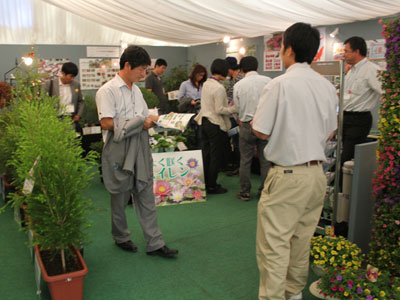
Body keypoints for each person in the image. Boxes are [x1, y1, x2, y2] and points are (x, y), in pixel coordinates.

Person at [252, 23, 337, 300]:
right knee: (302, 241)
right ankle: (294, 292)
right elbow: (331, 131)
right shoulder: (326, 86)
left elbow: (261, 130)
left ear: (288, 49)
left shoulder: (279, 84)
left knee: (274, 244)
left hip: (287, 174)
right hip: (316, 174)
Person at [96, 45, 178, 257]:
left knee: (145, 193)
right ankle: (121, 236)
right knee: (119, 196)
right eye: (142, 69)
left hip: (140, 146)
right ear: (127, 65)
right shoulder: (107, 91)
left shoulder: (137, 92)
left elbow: (144, 115)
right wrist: (138, 122)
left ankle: (155, 242)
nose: (144, 74)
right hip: (119, 148)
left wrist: (156, 120)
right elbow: (106, 123)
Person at [194, 59, 236, 194]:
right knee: (215, 156)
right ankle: (212, 185)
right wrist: (234, 109)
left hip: (204, 122)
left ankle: (205, 182)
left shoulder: (206, 83)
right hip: (215, 123)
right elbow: (219, 110)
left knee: (206, 154)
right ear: (223, 71)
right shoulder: (219, 88)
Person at [233, 56, 272, 201]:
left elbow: (237, 108)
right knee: (265, 160)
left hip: (246, 124)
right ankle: (265, 191)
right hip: (265, 125)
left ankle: (244, 192)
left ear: (242, 70)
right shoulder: (269, 81)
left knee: (245, 160)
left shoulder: (239, 85)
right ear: (257, 67)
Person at [342, 36, 381, 166]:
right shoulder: (351, 71)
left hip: (359, 120)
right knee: (342, 155)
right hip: (346, 117)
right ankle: (340, 185)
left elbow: (386, 90)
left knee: (347, 157)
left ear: (357, 52)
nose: (344, 54)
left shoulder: (371, 69)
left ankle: (346, 186)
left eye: (347, 51)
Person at [44, 62, 84, 131]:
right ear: (63, 73)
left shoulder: (76, 85)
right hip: (54, 119)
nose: (72, 79)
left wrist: (78, 115)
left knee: (71, 140)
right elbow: (43, 101)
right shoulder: (50, 84)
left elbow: (80, 101)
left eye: (74, 77)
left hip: (71, 120)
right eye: (71, 76)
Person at [224, 56, 243, 174]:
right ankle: (237, 165)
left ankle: (239, 166)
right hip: (232, 114)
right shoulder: (232, 79)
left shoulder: (239, 80)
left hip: (238, 116)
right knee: (235, 141)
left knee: (237, 142)